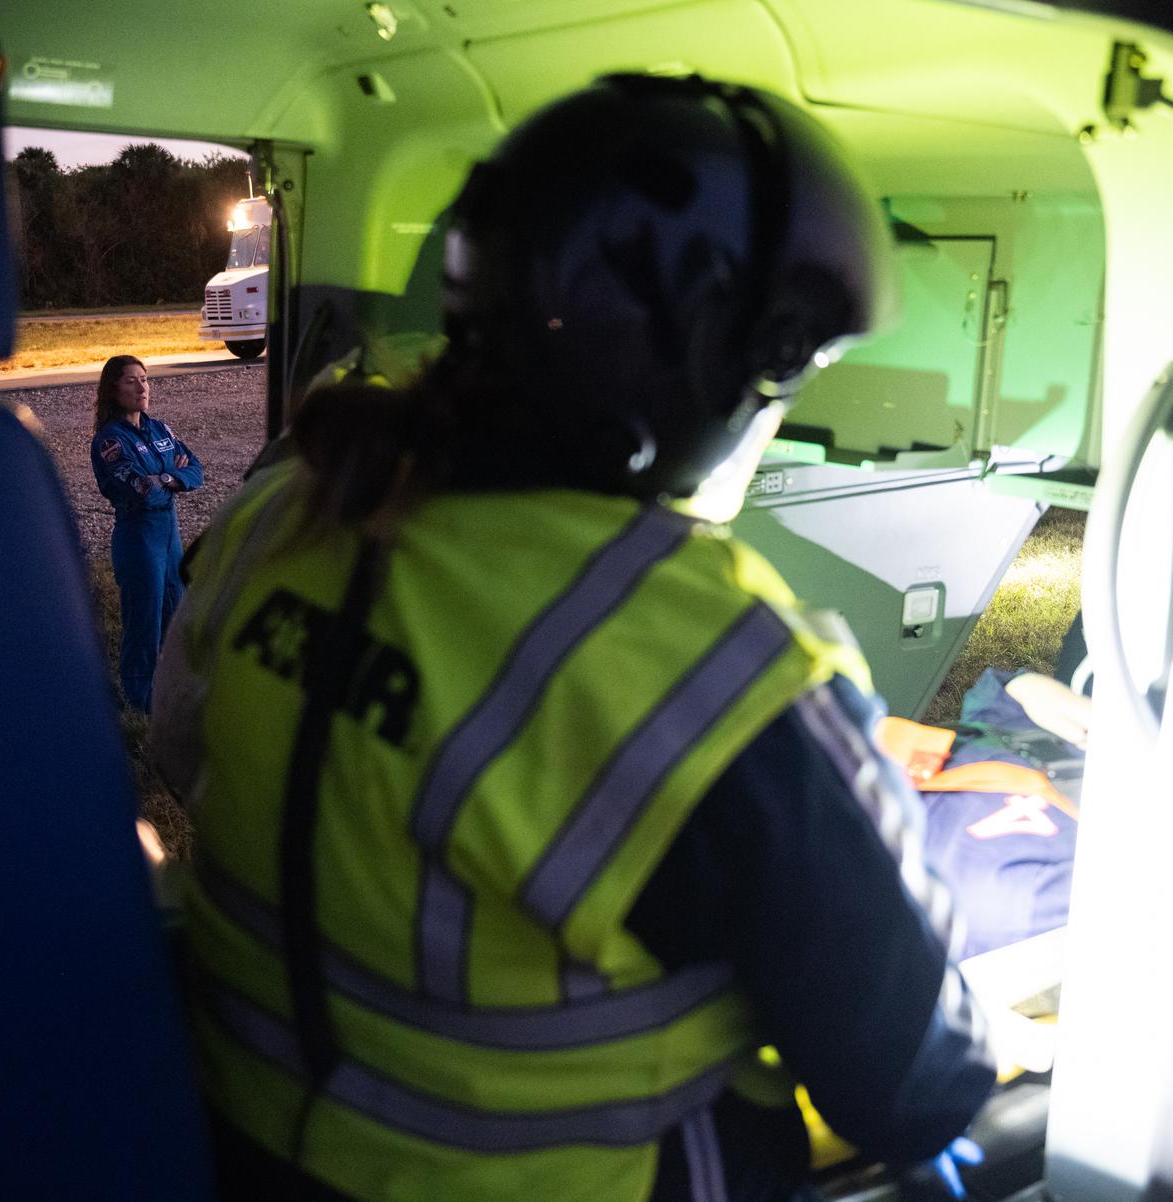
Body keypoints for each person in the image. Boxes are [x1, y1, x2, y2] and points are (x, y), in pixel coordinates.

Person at [150, 74, 992, 1202]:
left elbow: (197, 748)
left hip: (245, 1151)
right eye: (783, 373)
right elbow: (918, 1083)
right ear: (706, 351)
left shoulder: (288, 510)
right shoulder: (702, 655)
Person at [90, 354, 203, 711]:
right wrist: (169, 478)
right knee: (145, 624)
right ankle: (139, 704)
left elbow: (196, 471)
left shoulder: (160, 429)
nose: (142, 387)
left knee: (178, 616)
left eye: (145, 379)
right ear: (112, 389)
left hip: (170, 540)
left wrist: (167, 477)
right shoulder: (109, 442)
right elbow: (141, 491)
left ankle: (173, 693)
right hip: (139, 541)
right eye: (131, 381)